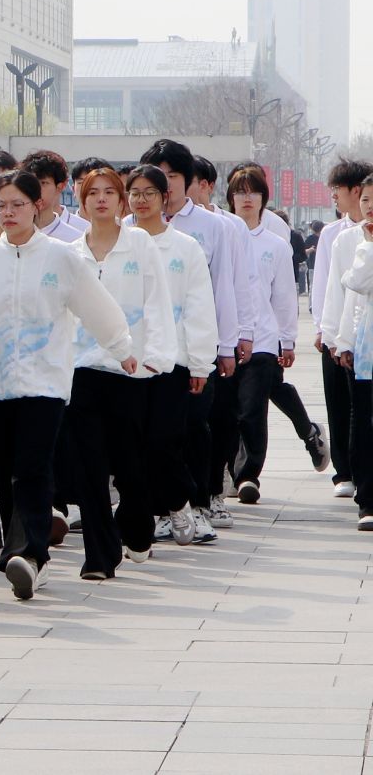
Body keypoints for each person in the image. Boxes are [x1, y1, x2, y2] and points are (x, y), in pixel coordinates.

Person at [0, 169, 137, 600]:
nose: (8, 213)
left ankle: (29, 554)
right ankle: (26, 557)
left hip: (45, 382)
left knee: (32, 468)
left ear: (37, 206)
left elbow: (95, 305)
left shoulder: (61, 257)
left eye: (17, 205)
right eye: (1, 206)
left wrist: (121, 347)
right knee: (5, 472)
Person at [140, 139, 256, 531]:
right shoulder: (130, 227)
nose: (165, 184)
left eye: (172, 176)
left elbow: (226, 287)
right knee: (153, 433)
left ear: (188, 180)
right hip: (145, 350)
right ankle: (162, 509)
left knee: (196, 425)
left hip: (193, 347)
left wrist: (229, 342)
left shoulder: (212, 227)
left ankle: (202, 501)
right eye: (157, 176)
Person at [66, 165, 175, 580]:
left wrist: (158, 356)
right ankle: (99, 556)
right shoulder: (71, 252)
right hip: (82, 369)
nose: (101, 199)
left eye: (109, 192)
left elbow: (157, 300)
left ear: (121, 200)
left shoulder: (140, 244)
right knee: (88, 468)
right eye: (93, 193)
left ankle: (137, 526)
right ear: (82, 201)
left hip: (131, 369)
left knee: (130, 464)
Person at [126, 166, 219, 546]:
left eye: (150, 192)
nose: (142, 199)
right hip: (126, 361)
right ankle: (146, 520)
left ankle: (180, 502)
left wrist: (200, 362)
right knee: (132, 446)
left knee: (164, 439)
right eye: (135, 192)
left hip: (172, 359)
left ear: (165, 198)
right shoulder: (118, 243)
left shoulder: (185, 247)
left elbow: (199, 306)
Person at [224, 163, 299, 503]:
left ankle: (248, 475)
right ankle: (229, 469)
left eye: (253, 192)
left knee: (252, 410)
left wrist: (288, 339)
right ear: (230, 198)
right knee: (227, 412)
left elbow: (284, 296)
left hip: (264, 340)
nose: (246, 198)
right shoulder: (222, 237)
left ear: (263, 198)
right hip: (225, 339)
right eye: (240, 192)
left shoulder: (276, 244)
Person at [314, 160, 371, 499]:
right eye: (366, 200)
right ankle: (352, 477)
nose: (369, 206)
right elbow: (332, 287)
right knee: (350, 408)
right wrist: (330, 333)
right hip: (355, 339)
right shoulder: (341, 238)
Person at [21, 150, 85, 242]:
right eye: (30, 183)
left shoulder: (80, 236)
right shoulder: (13, 233)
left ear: (60, 186)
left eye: (43, 183)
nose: (35, 189)